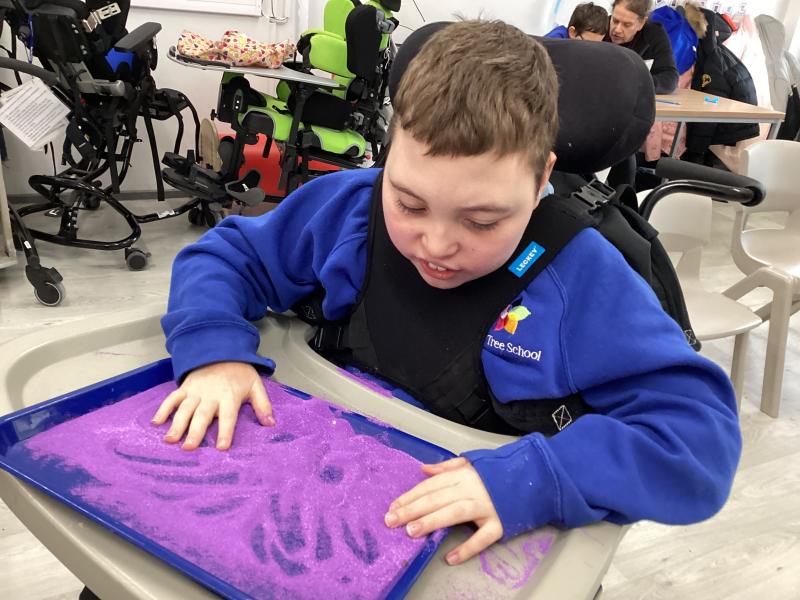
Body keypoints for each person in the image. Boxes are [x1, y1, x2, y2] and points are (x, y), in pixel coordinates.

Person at [154, 20, 741, 566]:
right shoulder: (349, 209)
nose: (436, 244)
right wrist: (214, 352)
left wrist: (533, 479)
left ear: (541, 178)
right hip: (303, 496)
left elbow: (697, 438)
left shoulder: (583, 277)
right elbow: (226, 257)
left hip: (468, 552)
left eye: (482, 220)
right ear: (390, 155)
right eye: (409, 203)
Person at [607, 0, 679, 93]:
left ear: (641, 23)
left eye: (627, 25)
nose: (617, 30)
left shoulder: (654, 35)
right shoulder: (599, 28)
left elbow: (669, 77)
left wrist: (635, 83)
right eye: (615, 21)